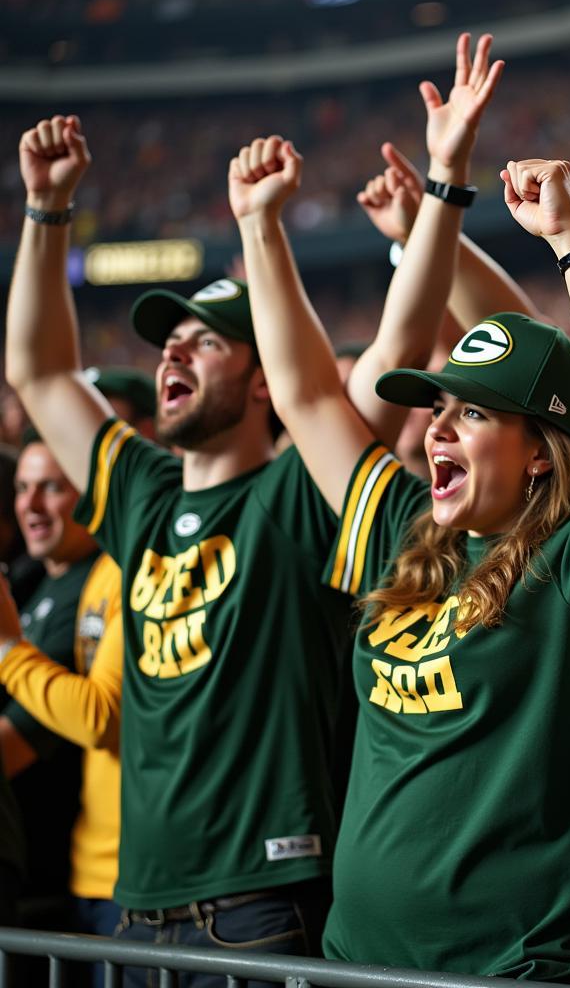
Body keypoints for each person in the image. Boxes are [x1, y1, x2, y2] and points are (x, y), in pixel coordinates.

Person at [231, 33, 570, 987]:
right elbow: (310, 398)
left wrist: (569, 240)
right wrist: (258, 228)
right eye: (436, 411)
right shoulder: (403, 531)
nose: (434, 432)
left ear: (542, 450)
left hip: (520, 970)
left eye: (471, 414)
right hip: (359, 968)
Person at [5, 114, 351, 986]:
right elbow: (41, 372)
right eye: (169, 340)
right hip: (138, 903)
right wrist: (46, 211)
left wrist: (260, 227)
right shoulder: (142, 495)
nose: (173, 351)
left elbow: (327, 388)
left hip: (260, 904)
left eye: (206, 340)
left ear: (261, 378)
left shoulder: (290, 492)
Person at [2, 436, 98, 931]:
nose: (30, 505)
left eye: (51, 488)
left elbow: (10, 750)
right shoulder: (27, 577)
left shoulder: (92, 587)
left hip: (45, 874)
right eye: (22, 488)